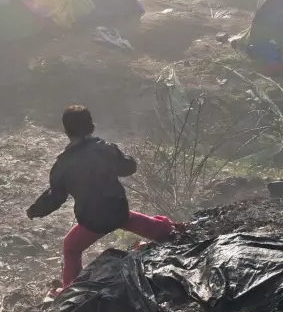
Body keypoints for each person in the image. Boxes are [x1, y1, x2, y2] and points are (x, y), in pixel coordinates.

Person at [26, 105, 179, 296]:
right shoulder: (105, 149)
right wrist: (125, 157)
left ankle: (70, 291)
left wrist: (35, 210)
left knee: (71, 247)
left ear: (66, 132)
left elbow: (55, 198)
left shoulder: (62, 164)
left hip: (92, 219)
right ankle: (165, 231)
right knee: (126, 218)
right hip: (117, 208)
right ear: (92, 127)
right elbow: (128, 168)